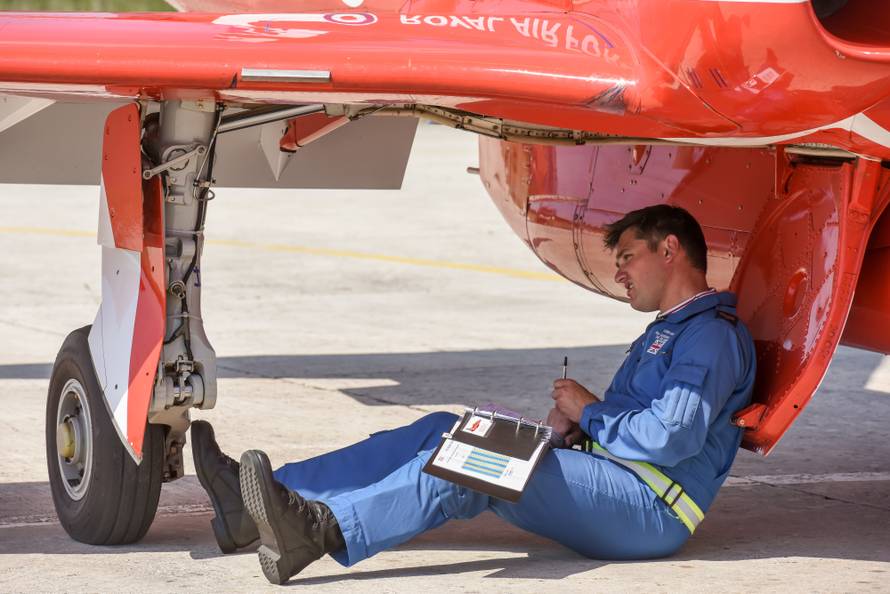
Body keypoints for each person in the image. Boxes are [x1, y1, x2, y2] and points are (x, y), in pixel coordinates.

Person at [191, 204, 756, 584]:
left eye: (627, 258)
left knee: (478, 463)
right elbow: (639, 426)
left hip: (649, 508)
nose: (620, 274)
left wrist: (591, 410)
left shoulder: (708, 336)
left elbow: (671, 438)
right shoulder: (673, 329)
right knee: (441, 427)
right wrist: (578, 429)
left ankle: (318, 530)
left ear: (670, 250)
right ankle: (253, 506)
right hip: (619, 480)